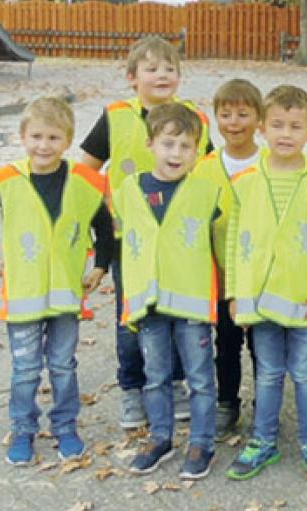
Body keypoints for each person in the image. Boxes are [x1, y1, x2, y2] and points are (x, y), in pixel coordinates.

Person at [0, 98, 113, 465]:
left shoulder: (83, 182)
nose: (43, 145)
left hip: (66, 295)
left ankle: (66, 428)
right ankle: (23, 431)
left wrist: (102, 265)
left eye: (53, 138)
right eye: (36, 136)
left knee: (63, 366)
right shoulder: (8, 179)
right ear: (22, 137)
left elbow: (103, 225)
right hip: (24, 295)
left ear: (67, 141)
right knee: (25, 369)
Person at [80, 36, 212, 429]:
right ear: (131, 77)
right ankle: (132, 389)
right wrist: (99, 222)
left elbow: (209, 172)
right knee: (132, 315)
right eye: (152, 69)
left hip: (179, 240)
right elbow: (86, 170)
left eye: (170, 68)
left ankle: (172, 383)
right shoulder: (116, 116)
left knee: (175, 310)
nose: (162, 75)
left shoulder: (194, 120)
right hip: (130, 240)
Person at [223, 86, 307, 485]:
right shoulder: (244, 182)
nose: (285, 134)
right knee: (268, 373)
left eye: (296, 127)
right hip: (259, 300)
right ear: (262, 128)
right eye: (277, 125)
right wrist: (234, 293)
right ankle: (263, 440)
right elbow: (233, 239)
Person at [113, 104, 219, 479]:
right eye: (168, 144)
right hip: (149, 304)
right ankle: (161, 438)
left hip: (191, 302)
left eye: (187, 146)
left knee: (200, 378)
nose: (177, 154)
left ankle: (202, 442)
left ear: (198, 150)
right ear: (151, 144)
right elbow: (125, 241)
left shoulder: (208, 191)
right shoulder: (130, 189)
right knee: (156, 376)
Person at [192, 78, 263, 440]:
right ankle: (227, 401)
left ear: (259, 118)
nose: (234, 123)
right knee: (227, 342)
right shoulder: (204, 167)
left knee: (264, 346)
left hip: (264, 276)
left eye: (243, 114)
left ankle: (265, 405)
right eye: (226, 115)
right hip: (219, 274)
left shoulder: (271, 162)